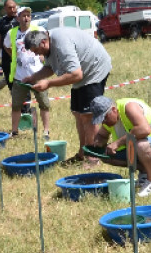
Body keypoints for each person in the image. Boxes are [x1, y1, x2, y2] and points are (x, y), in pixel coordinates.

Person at [23, 27, 112, 163]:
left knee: (88, 116)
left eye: (36, 51)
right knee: (78, 113)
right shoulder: (49, 45)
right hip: (81, 73)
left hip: (94, 70)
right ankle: (82, 154)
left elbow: (76, 74)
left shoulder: (61, 43)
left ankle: (93, 158)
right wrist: (33, 77)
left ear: (43, 43)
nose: (36, 55)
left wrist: (49, 83)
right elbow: (50, 68)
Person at [89, 96, 151, 197]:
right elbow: (102, 135)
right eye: (101, 120)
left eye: (104, 118)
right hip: (144, 149)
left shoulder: (129, 107)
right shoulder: (109, 119)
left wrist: (117, 143)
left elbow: (144, 129)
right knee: (105, 154)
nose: (103, 122)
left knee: (141, 145)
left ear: (113, 110)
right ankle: (146, 173)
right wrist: (97, 144)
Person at [6, 7, 51, 139]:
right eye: (23, 15)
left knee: (44, 103)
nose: (26, 18)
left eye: (28, 15)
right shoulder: (12, 33)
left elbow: (48, 43)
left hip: (38, 74)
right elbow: (7, 46)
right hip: (19, 76)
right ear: (18, 18)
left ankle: (46, 131)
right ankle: (14, 132)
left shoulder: (38, 30)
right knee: (16, 105)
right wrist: (16, 56)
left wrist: (44, 56)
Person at [0, 0, 20, 97]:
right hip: (7, 59)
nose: (12, 9)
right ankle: (18, 109)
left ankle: (26, 109)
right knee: (11, 84)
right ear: (5, 9)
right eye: (9, 8)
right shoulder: (2, 22)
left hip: (21, 58)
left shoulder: (21, 19)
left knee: (23, 84)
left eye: (14, 7)